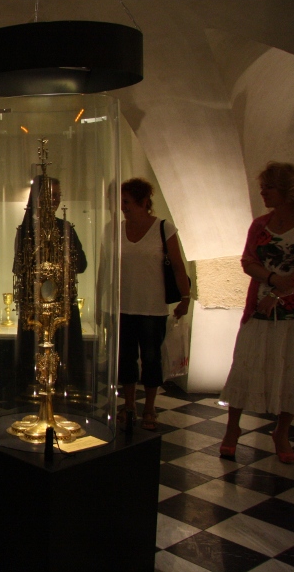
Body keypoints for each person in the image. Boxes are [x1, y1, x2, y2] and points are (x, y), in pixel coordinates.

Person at [219, 161, 294, 464]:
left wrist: (280, 293)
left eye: (269, 188)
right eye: (263, 188)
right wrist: (272, 279)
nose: (264, 193)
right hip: (259, 308)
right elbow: (248, 260)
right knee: (245, 365)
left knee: (291, 370)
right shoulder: (260, 225)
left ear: (287, 191)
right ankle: (232, 428)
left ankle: (282, 432)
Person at [118, 178, 190, 431]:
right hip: (123, 306)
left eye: (127, 201)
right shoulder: (116, 229)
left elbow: (178, 265)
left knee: (151, 359)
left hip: (152, 307)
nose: (123, 206)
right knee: (125, 359)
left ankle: (149, 407)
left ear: (143, 202)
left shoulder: (163, 227)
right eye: (122, 201)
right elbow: (108, 267)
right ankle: (129, 405)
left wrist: (185, 298)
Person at [12, 176, 88, 399]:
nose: (54, 200)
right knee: (31, 348)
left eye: (57, 196)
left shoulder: (65, 228)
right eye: (50, 195)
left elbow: (81, 264)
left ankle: (67, 388)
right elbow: (19, 267)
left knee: (67, 347)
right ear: (37, 198)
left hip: (62, 301)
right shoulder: (26, 230)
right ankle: (30, 387)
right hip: (34, 303)